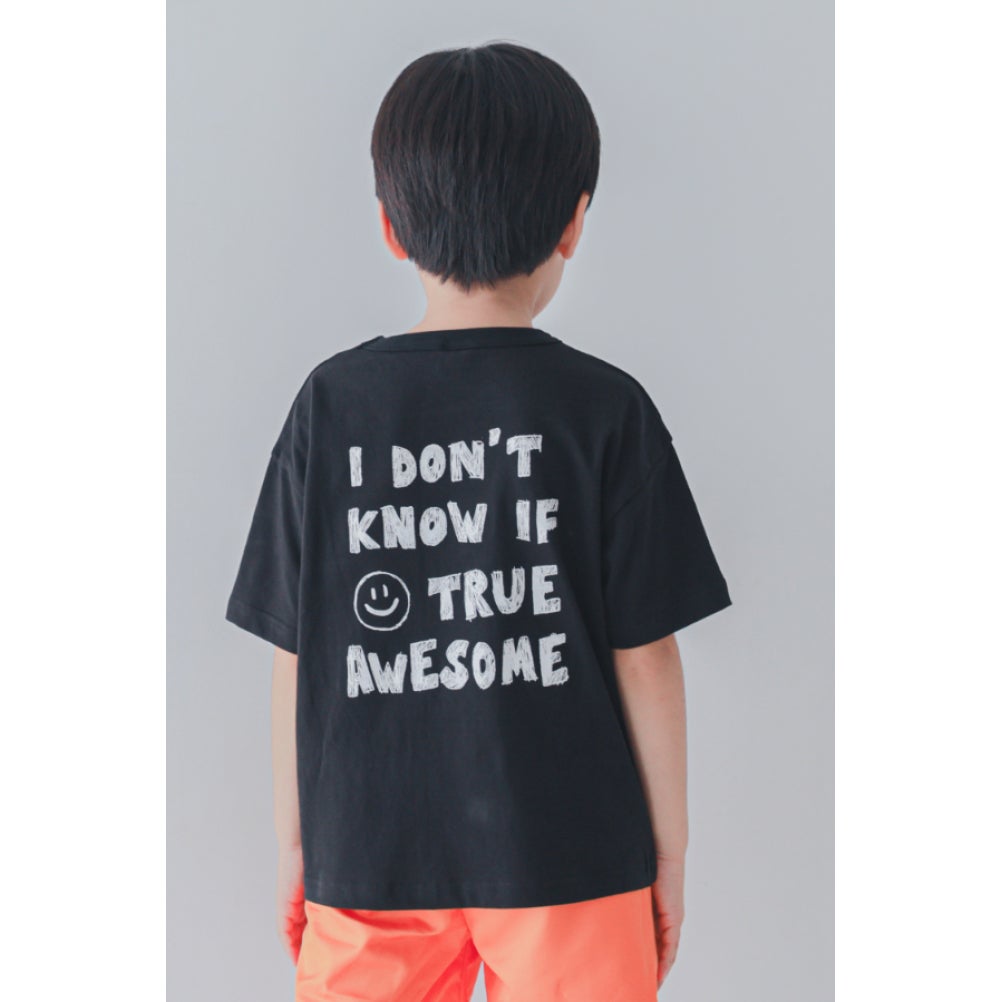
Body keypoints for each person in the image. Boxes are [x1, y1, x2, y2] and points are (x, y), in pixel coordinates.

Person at [225, 41, 732, 1002]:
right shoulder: (605, 409)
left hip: (369, 855)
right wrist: (669, 854)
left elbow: (300, 652)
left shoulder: (331, 406)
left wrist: (298, 842)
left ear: (390, 226)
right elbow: (645, 656)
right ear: (574, 221)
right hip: (573, 857)